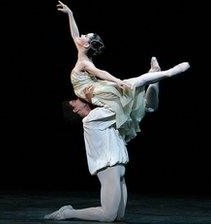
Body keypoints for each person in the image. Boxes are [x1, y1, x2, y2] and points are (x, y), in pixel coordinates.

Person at [44, 57, 162, 222]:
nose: (79, 99)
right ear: (75, 109)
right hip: (109, 169)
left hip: (119, 169)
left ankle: (154, 77)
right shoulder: (92, 119)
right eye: (75, 100)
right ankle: (66, 213)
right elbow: (117, 105)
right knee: (108, 215)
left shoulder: (98, 116)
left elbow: (122, 109)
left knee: (118, 216)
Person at [56, 0, 190, 143]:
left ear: (87, 44)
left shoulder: (83, 61)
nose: (80, 36)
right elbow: (75, 35)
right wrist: (70, 13)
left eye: (85, 36)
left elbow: (100, 72)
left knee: (133, 87)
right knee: (137, 92)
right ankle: (161, 73)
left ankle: (166, 73)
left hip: (95, 88)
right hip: (94, 90)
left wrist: (116, 81)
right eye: (85, 35)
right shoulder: (82, 57)